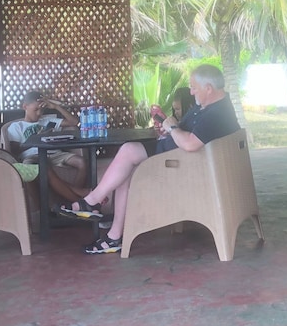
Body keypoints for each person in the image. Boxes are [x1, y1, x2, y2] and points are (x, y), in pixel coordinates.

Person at [60, 64, 239, 254]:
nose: (191, 92)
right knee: (126, 165)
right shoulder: (207, 107)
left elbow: (189, 144)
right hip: (180, 160)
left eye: (194, 87)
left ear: (209, 88)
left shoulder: (217, 113)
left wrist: (172, 128)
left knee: (128, 152)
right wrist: (168, 128)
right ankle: (112, 234)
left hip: (184, 169)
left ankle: (94, 202)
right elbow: (186, 133)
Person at [3, 90, 88, 195]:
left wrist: (56, 107)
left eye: (42, 109)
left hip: (54, 153)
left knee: (82, 162)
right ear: (25, 107)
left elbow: (74, 122)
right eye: (36, 109)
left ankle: (73, 197)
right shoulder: (17, 126)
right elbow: (15, 149)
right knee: (35, 170)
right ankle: (77, 193)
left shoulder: (47, 120)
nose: (39, 113)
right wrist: (37, 138)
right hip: (33, 156)